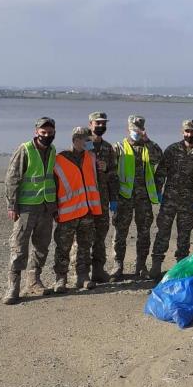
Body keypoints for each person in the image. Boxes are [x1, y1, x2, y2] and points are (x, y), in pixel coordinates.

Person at [3, 117, 57, 304]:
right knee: (19, 246)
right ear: (36, 132)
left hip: (46, 206)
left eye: (50, 133)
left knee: (42, 246)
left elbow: (53, 178)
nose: (46, 136)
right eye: (43, 132)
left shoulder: (52, 151)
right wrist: (12, 205)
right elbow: (12, 178)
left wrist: (54, 206)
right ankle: (13, 287)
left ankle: (34, 281)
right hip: (26, 207)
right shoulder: (25, 149)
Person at [149, 120, 193, 279]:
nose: (189, 134)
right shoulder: (172, 150)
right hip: (169, 199)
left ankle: (181, 265)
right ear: (182, 132)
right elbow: (161, 172)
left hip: (188, 200)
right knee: (163, 231)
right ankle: (156, 264)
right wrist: (157, 191)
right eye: (187, 131)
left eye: (192, 131)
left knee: (184, 234)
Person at [111, 115, 163, 280]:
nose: (136, 132)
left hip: (144, 198)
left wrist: (147, 140)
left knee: (144, 232)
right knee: (120, 232)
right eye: (133, 129)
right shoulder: (119, 147)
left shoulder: (148, 147)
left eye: (139, 129)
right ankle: (117, 265)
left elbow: (159, 158)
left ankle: (141, 265)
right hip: (124, 197)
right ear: (128, 129)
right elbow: (110, 170)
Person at [51, 127, 102, 292]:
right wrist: (53, 209)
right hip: (67, 212)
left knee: (84, 246)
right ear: (75, 140)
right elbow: (53, 185)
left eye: (89, 139)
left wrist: (105, 167)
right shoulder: (59, 159)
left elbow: (97, 180)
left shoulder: (91, 157)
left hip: (87, 210)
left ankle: (83, 277)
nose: (89, 142)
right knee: (63, 247)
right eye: (86, 140)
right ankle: (61, 279)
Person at [87, 112, 119, 283]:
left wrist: (114, 198)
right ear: (90, 124)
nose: (100, 126)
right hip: (84, 200)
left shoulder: (108, 148)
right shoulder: (82, 144)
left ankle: (98, 270)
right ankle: (81, 273)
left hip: (102, 199)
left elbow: (114, 174)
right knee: (83, 237)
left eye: (103, 123)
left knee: (100, 236)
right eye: (97, 123)